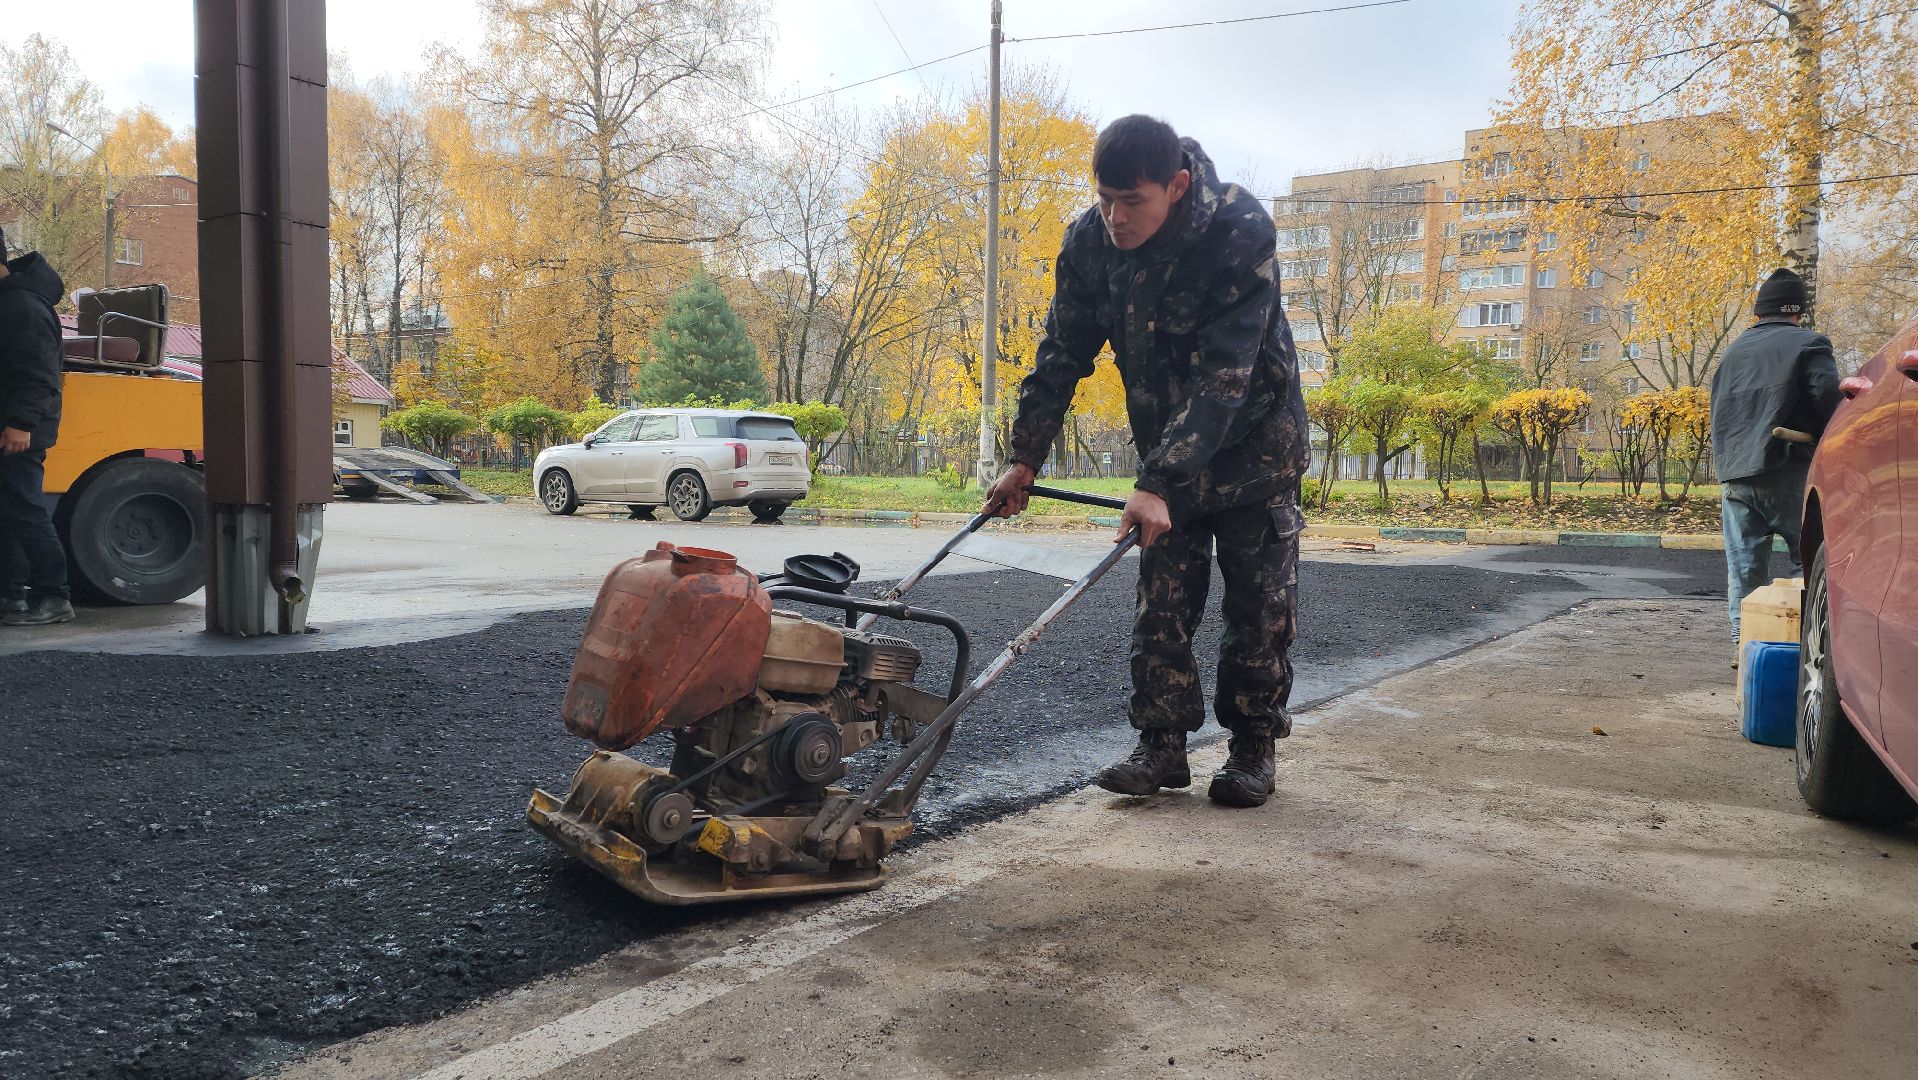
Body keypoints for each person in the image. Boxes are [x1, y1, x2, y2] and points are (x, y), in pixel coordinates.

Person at [984, 115, 1309, 808]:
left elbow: (1229, 373)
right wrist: (1025, 457)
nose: (1115, 216)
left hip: (1255, 446)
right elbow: (1061, 354)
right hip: (1170, 451)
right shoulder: (1090, 243)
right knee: (1161, 601)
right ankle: (1161, 745)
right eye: (1105, 197)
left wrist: (1159, 480)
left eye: (1132, 201)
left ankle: (1252, 749)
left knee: (1259, 608)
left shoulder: (1239, 231)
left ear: (1177, 186)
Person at [1709, 267, 1840, 641]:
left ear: (1760, 312)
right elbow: (1827, 396)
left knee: (1745, 570)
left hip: (1735, 473)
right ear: (1797, 311)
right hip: (1788, 468)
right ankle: (1807, 645)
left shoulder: (1733, 351)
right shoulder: (1809, 344)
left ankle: (1745, 648)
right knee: (1810, 561)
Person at [0, 226, 75, 626]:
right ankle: (9, 595)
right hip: (11, 426)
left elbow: (38, 373)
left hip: (18, 431)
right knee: (10, 512)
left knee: (26, 511)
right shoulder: (9, 302)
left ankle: (54, 596)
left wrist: (20, 423)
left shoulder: (22, 307)